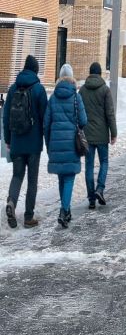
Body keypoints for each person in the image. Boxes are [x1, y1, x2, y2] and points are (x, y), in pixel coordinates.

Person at [3, 55, 48, 229]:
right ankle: (28, 217)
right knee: (32, 180)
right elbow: (45, 118)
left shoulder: (13, 88)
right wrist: (46, 139)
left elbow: (6, 117)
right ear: (36, 70)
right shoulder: (39, 89)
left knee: (17, 175)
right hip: (33, 143)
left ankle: (11, 202)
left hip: (16, 141)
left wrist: (8, 140)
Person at [44, 64, 88, 229]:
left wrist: (49, 144)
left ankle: (66, 210)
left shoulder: (53, 98)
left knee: (61, 177)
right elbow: (83, 121)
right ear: (71, 78)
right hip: (71, 143)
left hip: (55, 143)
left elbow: (46, 124)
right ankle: (64, 210)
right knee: (69, 177)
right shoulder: (76, 97)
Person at [79, 62, 117, 210]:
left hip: (87, 135)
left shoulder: (82, 90)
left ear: (90, 73)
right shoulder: (105, 90)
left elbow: (78, 112)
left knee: (89, 165)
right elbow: (110, 113)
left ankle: (91, 199)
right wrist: (113, 133)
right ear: (100, 73)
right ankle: (100, 189)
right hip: (101, 134)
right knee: (104, 162)